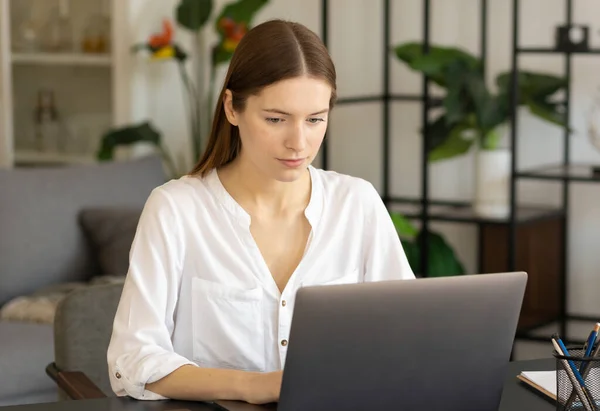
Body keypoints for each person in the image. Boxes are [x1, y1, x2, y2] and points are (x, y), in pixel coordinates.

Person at [106, 18, 415, 405]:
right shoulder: (176, 210)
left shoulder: (357, 203)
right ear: (232, 108)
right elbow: (131, 361)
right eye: (275, 119)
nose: (298, 143)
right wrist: (252, 386)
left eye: (315, 119)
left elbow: (407, 335)